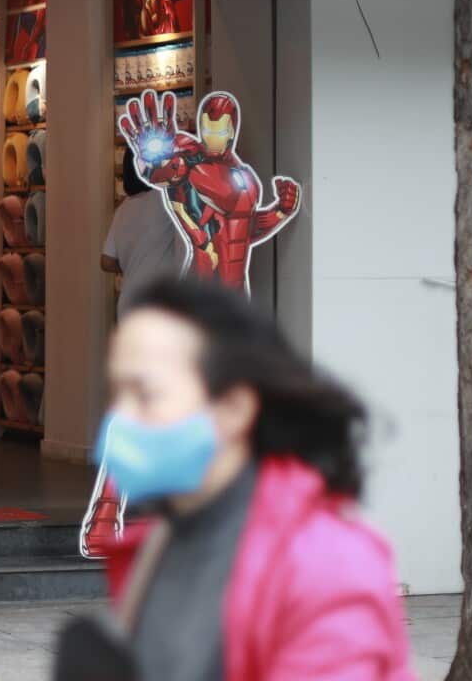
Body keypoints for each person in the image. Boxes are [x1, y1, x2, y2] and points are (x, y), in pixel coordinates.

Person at [95, 277, 415, 681]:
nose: (120, 418)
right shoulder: (158, 542)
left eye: (145, 395)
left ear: (234, 408)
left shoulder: (326, 564)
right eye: (116, 393)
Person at [101, 145, 184, 320]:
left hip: (127, 302)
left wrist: (135, 263)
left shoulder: (123, 209)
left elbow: (106, 262)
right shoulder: (166, 199)